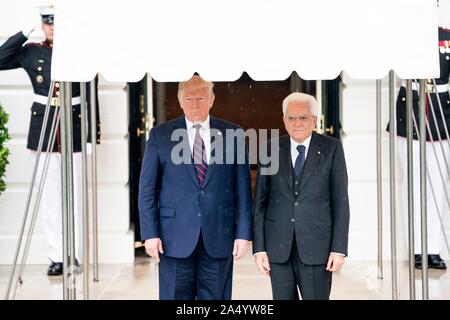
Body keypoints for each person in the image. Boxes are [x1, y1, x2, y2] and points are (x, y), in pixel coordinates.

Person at [0, 5, 101, 276]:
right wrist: (22, 33)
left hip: (74, 127)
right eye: (47, 23)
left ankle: (74, 255)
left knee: (76, 196)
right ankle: (57, 255)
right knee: (49, 198)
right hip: (43, 131)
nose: (52, 27)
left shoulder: (81, 50)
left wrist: (92, 136)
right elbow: (0, 58)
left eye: (56, 22)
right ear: (41, 25)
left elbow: (92, 94)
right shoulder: (32, 50)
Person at [138, 75, 252, 300]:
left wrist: (243, 234)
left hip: (219, 235)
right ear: (180, 101)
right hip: (173, 238)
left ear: (212, 100)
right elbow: (147, 191)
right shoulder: (161, 135)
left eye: (200, 98)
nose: (194, 104)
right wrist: (150, 234)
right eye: (189, 98)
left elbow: (243, 190)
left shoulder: (233, 134)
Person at [252, 92, 350, 300]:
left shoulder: (331, 148)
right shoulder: (270, 149)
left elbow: (340, 202)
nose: (297, 123)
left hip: (317, 249)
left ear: (314, 120)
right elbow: (260, 202)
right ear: (284, 121)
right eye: (291, 117)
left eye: (303, 117)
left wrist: (339, 249)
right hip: (278, 250)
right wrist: (259, 249)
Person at [388, 26, 450, 270]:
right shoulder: (405, 34)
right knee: (412, 184)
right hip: (410, 107)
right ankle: (415, 249)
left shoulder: (445, 36)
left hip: (442, 108)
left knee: (438, 181)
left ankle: (433, 249)